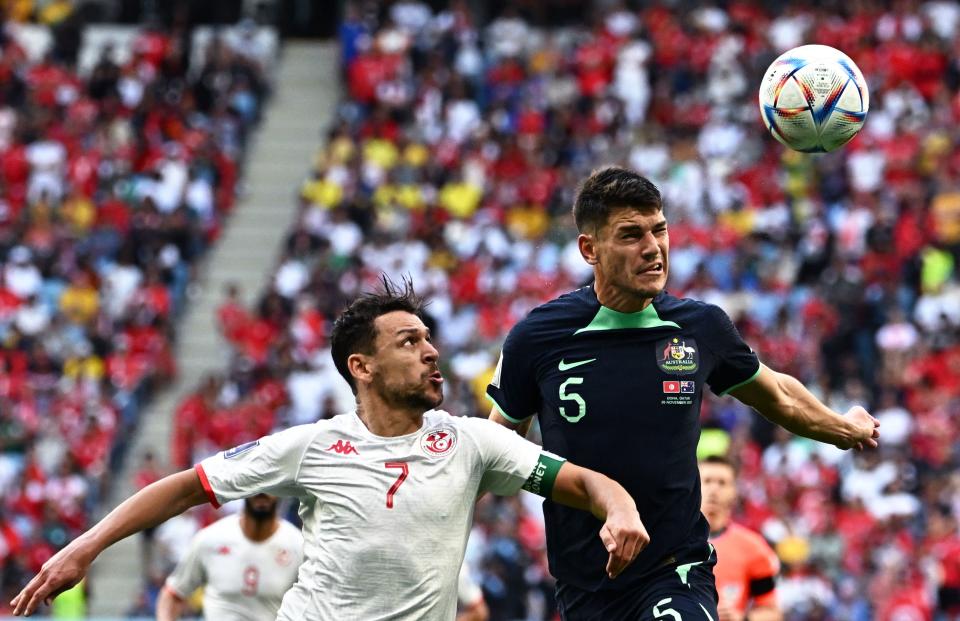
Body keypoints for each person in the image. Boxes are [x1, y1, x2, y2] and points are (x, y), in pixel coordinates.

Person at [10, 278, 649, 619]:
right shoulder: (314, 447)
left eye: (430, 339)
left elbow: (586, 483)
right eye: (408, 342)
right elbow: (185, 485)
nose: (431, 351)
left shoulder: (473, 441)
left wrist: (619, 509)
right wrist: (83, 549)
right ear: (360, 366)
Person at [486, 166, 880, 620]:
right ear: (589, 249)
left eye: (660, 230)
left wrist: (843, 428)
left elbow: (779, 395)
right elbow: (496, 451)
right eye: (631, 235)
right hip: (584, 589)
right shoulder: (538, 338)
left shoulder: (699, 329)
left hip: (675, 572)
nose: (653, 248)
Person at [156, 493, 304, 621]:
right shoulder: (210, 539)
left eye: (270, 485)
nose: (263, 491)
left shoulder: (298, 545)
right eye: (258, 483)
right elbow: (173, 594)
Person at [700, 455, 781, 621]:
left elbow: (772, 612)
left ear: (734, 492)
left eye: (722, 483)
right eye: (707, 481)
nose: (714, 489)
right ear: (694, 486)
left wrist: (742, 618)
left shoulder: (754, 547)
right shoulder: (671, 542)